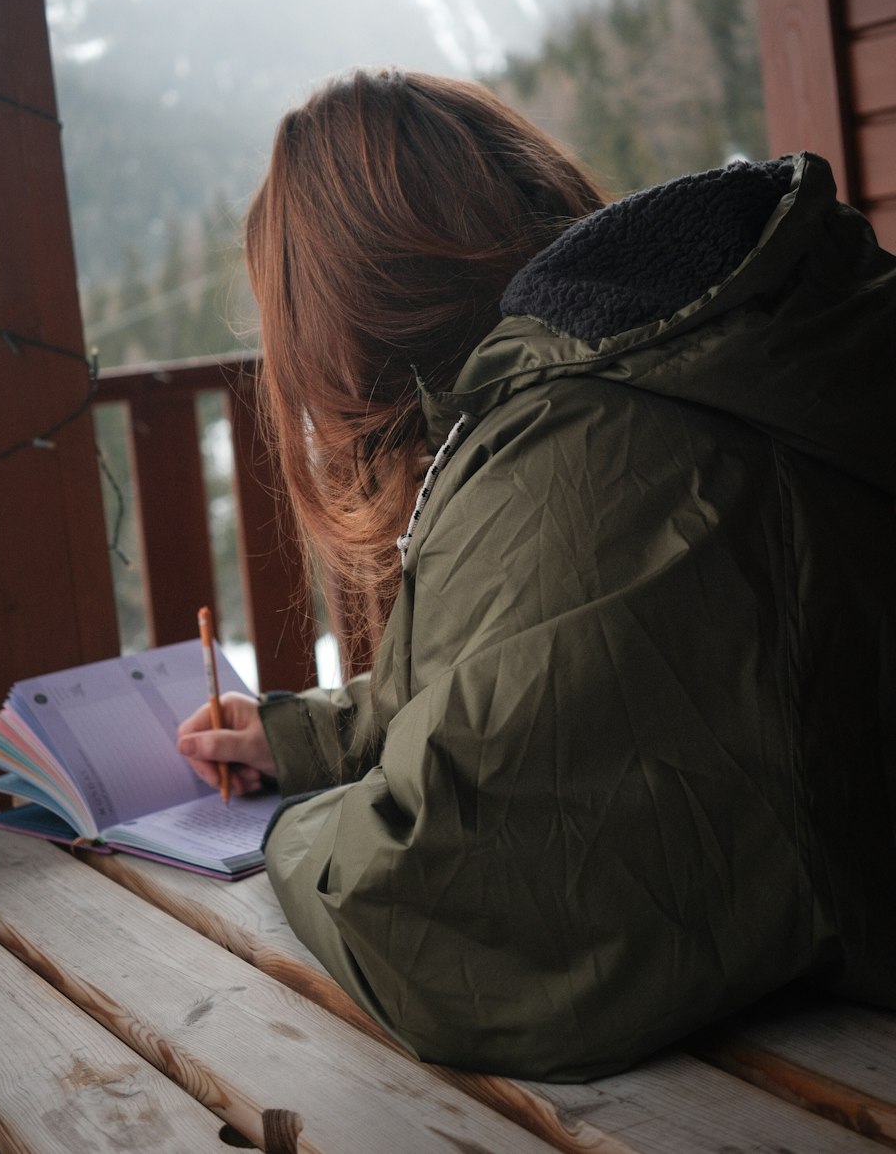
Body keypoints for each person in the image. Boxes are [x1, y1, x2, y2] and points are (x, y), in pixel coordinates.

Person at [177, 68, 896, 1082]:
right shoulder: (660, 353)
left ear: (349, 322)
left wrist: (298, 831)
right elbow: (553, 651)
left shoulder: (576, 448)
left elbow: (431, 915)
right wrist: (313, 736)